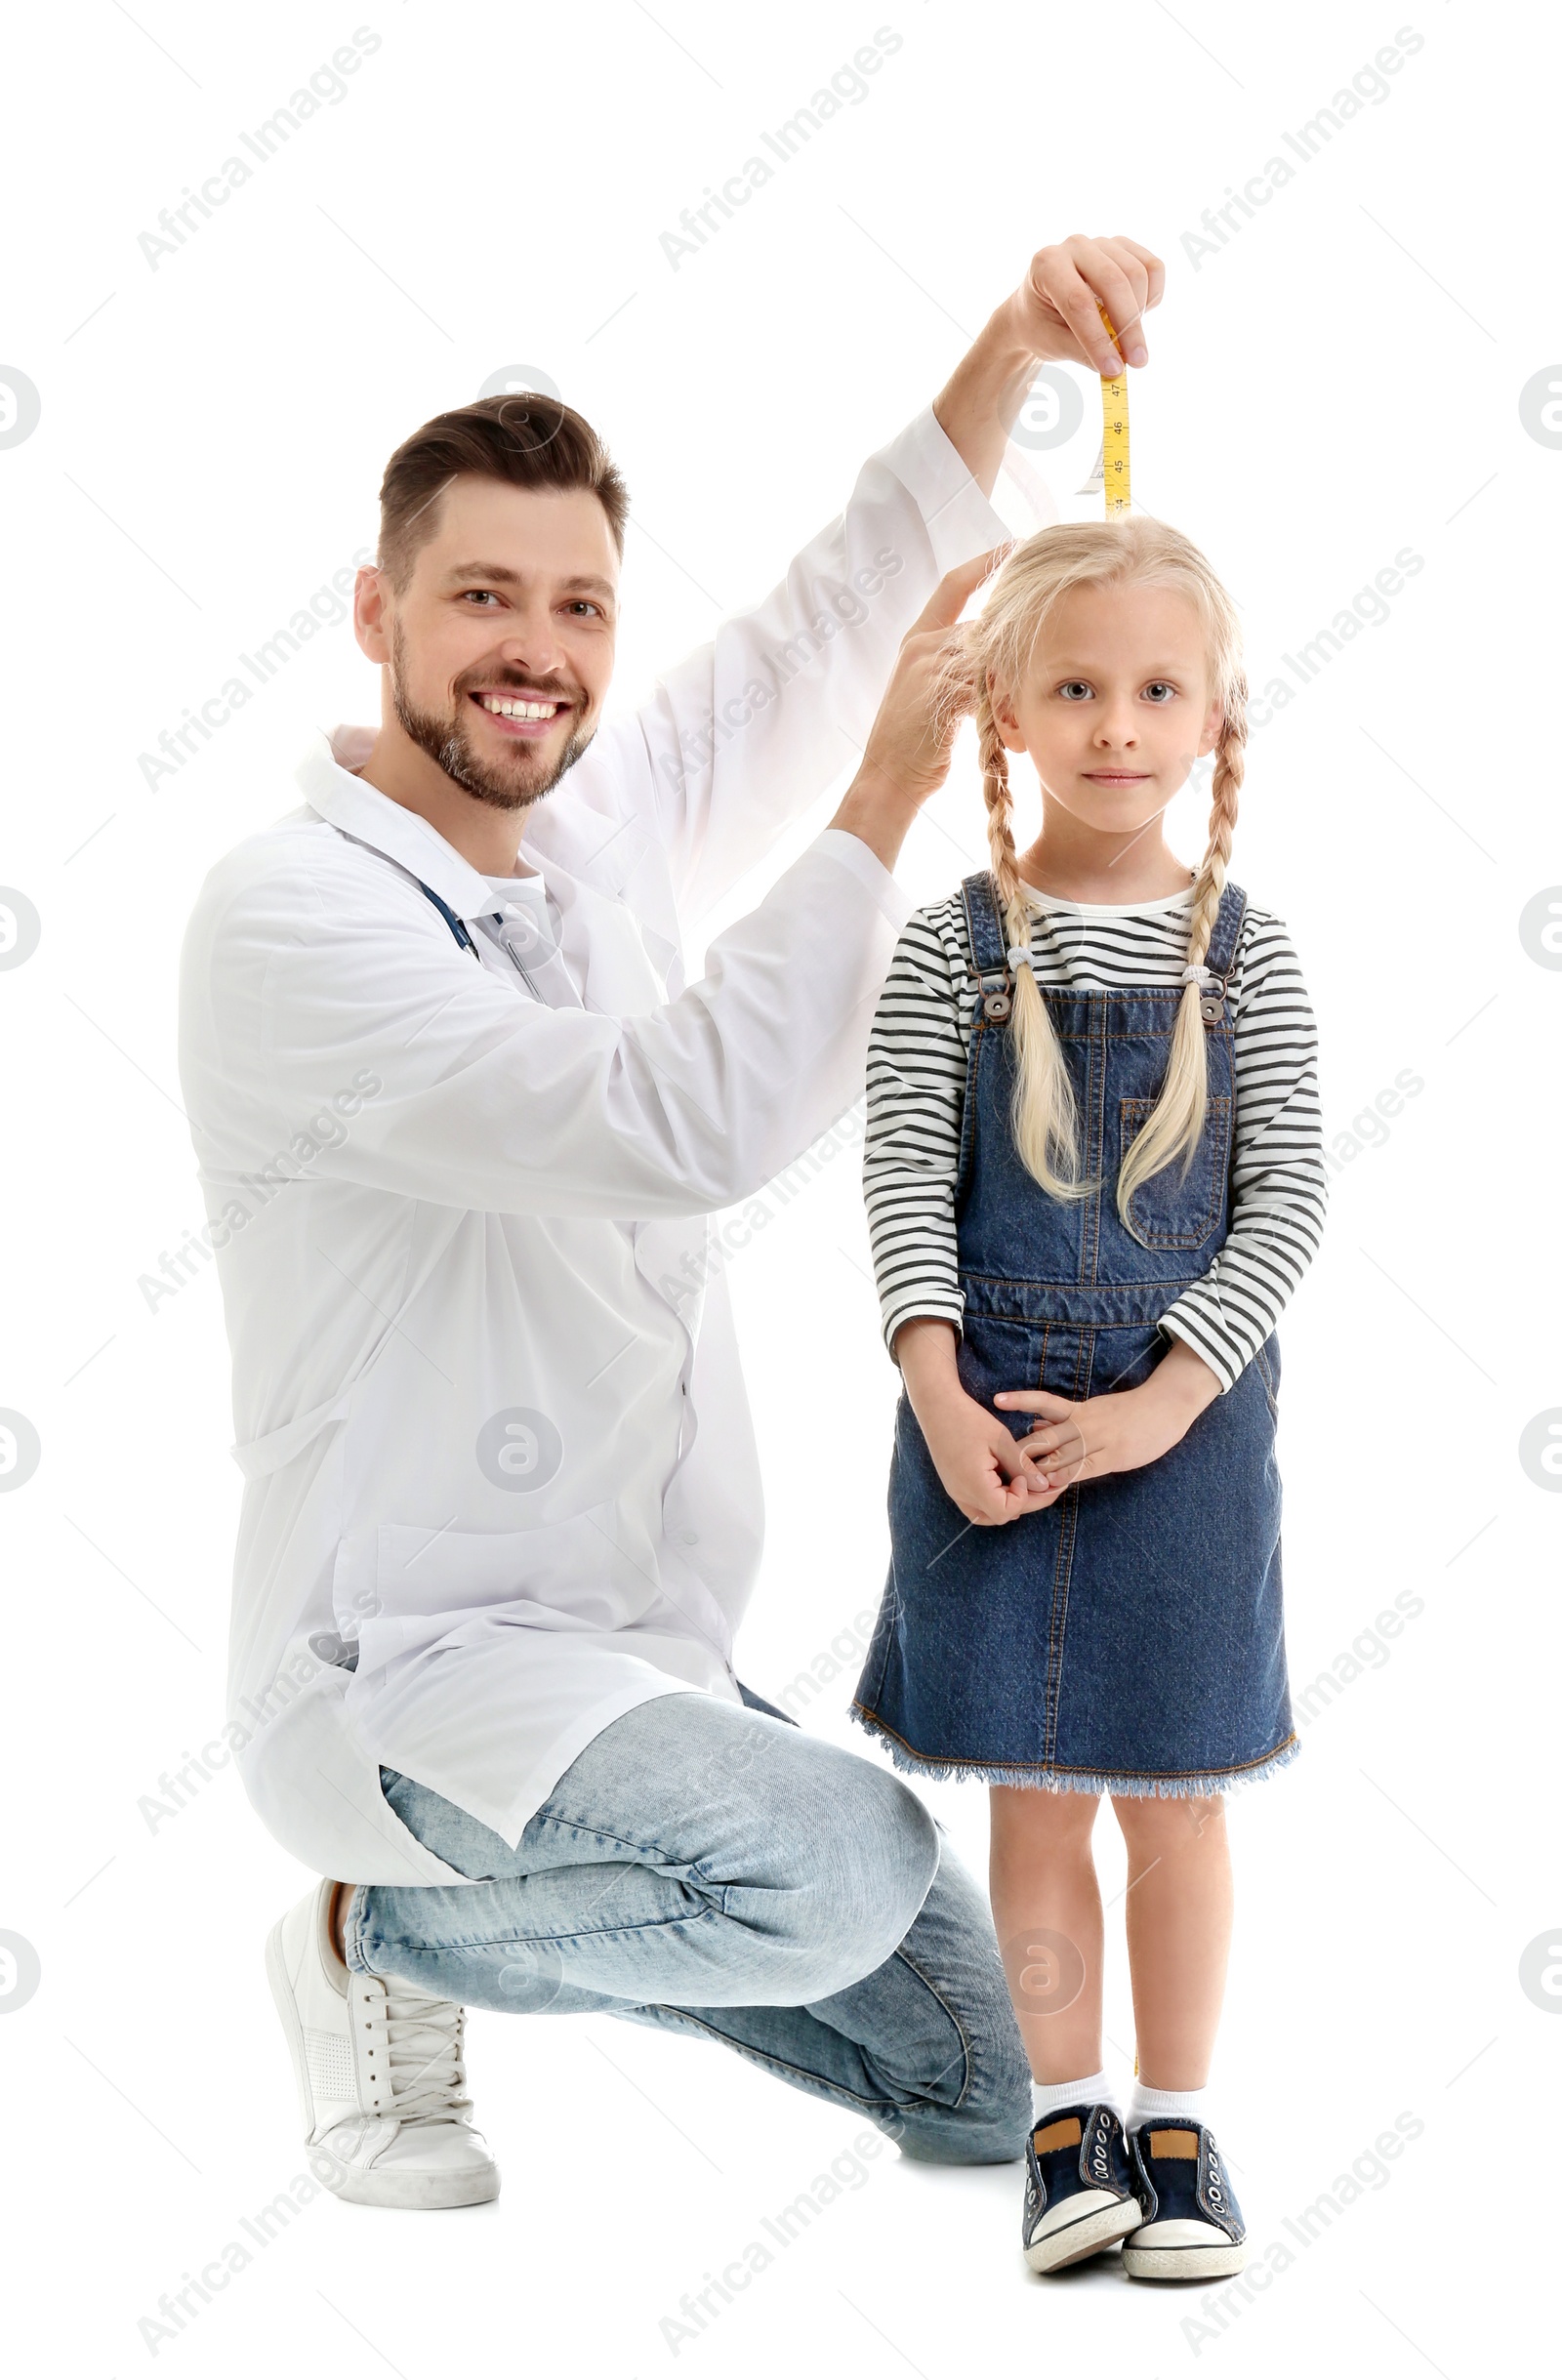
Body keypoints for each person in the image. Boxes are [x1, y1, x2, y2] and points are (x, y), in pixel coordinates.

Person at [177, 238, 1168, 2209]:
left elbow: (813, 636)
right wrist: (889, 786)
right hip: (401, 1666)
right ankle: (372, 1937)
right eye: (477, 597)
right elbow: (677, 1118)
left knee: (985, 2077)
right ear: (377, 611)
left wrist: (1005, 355)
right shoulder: (294, 922)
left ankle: (645, 1865)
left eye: (574, 606)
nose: (529, 648)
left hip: (630, 1660)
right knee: (827, 1862)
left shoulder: (583, 826)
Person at [851, 518, 1328, 2277]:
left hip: (1180, 1448)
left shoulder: (1243, 956)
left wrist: (1166, 1399)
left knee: (1177, 1798)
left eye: (1153, 690)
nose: (1115, 725)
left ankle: (1183, 2123)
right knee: (1031, 1799)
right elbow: (906, 1177)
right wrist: (935, 1392)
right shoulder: (951, 948)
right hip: (991, 1437)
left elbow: (1286, 1198)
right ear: (1007, 710)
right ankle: (1071, 2122)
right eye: (1075, 687)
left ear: (1211, 716)